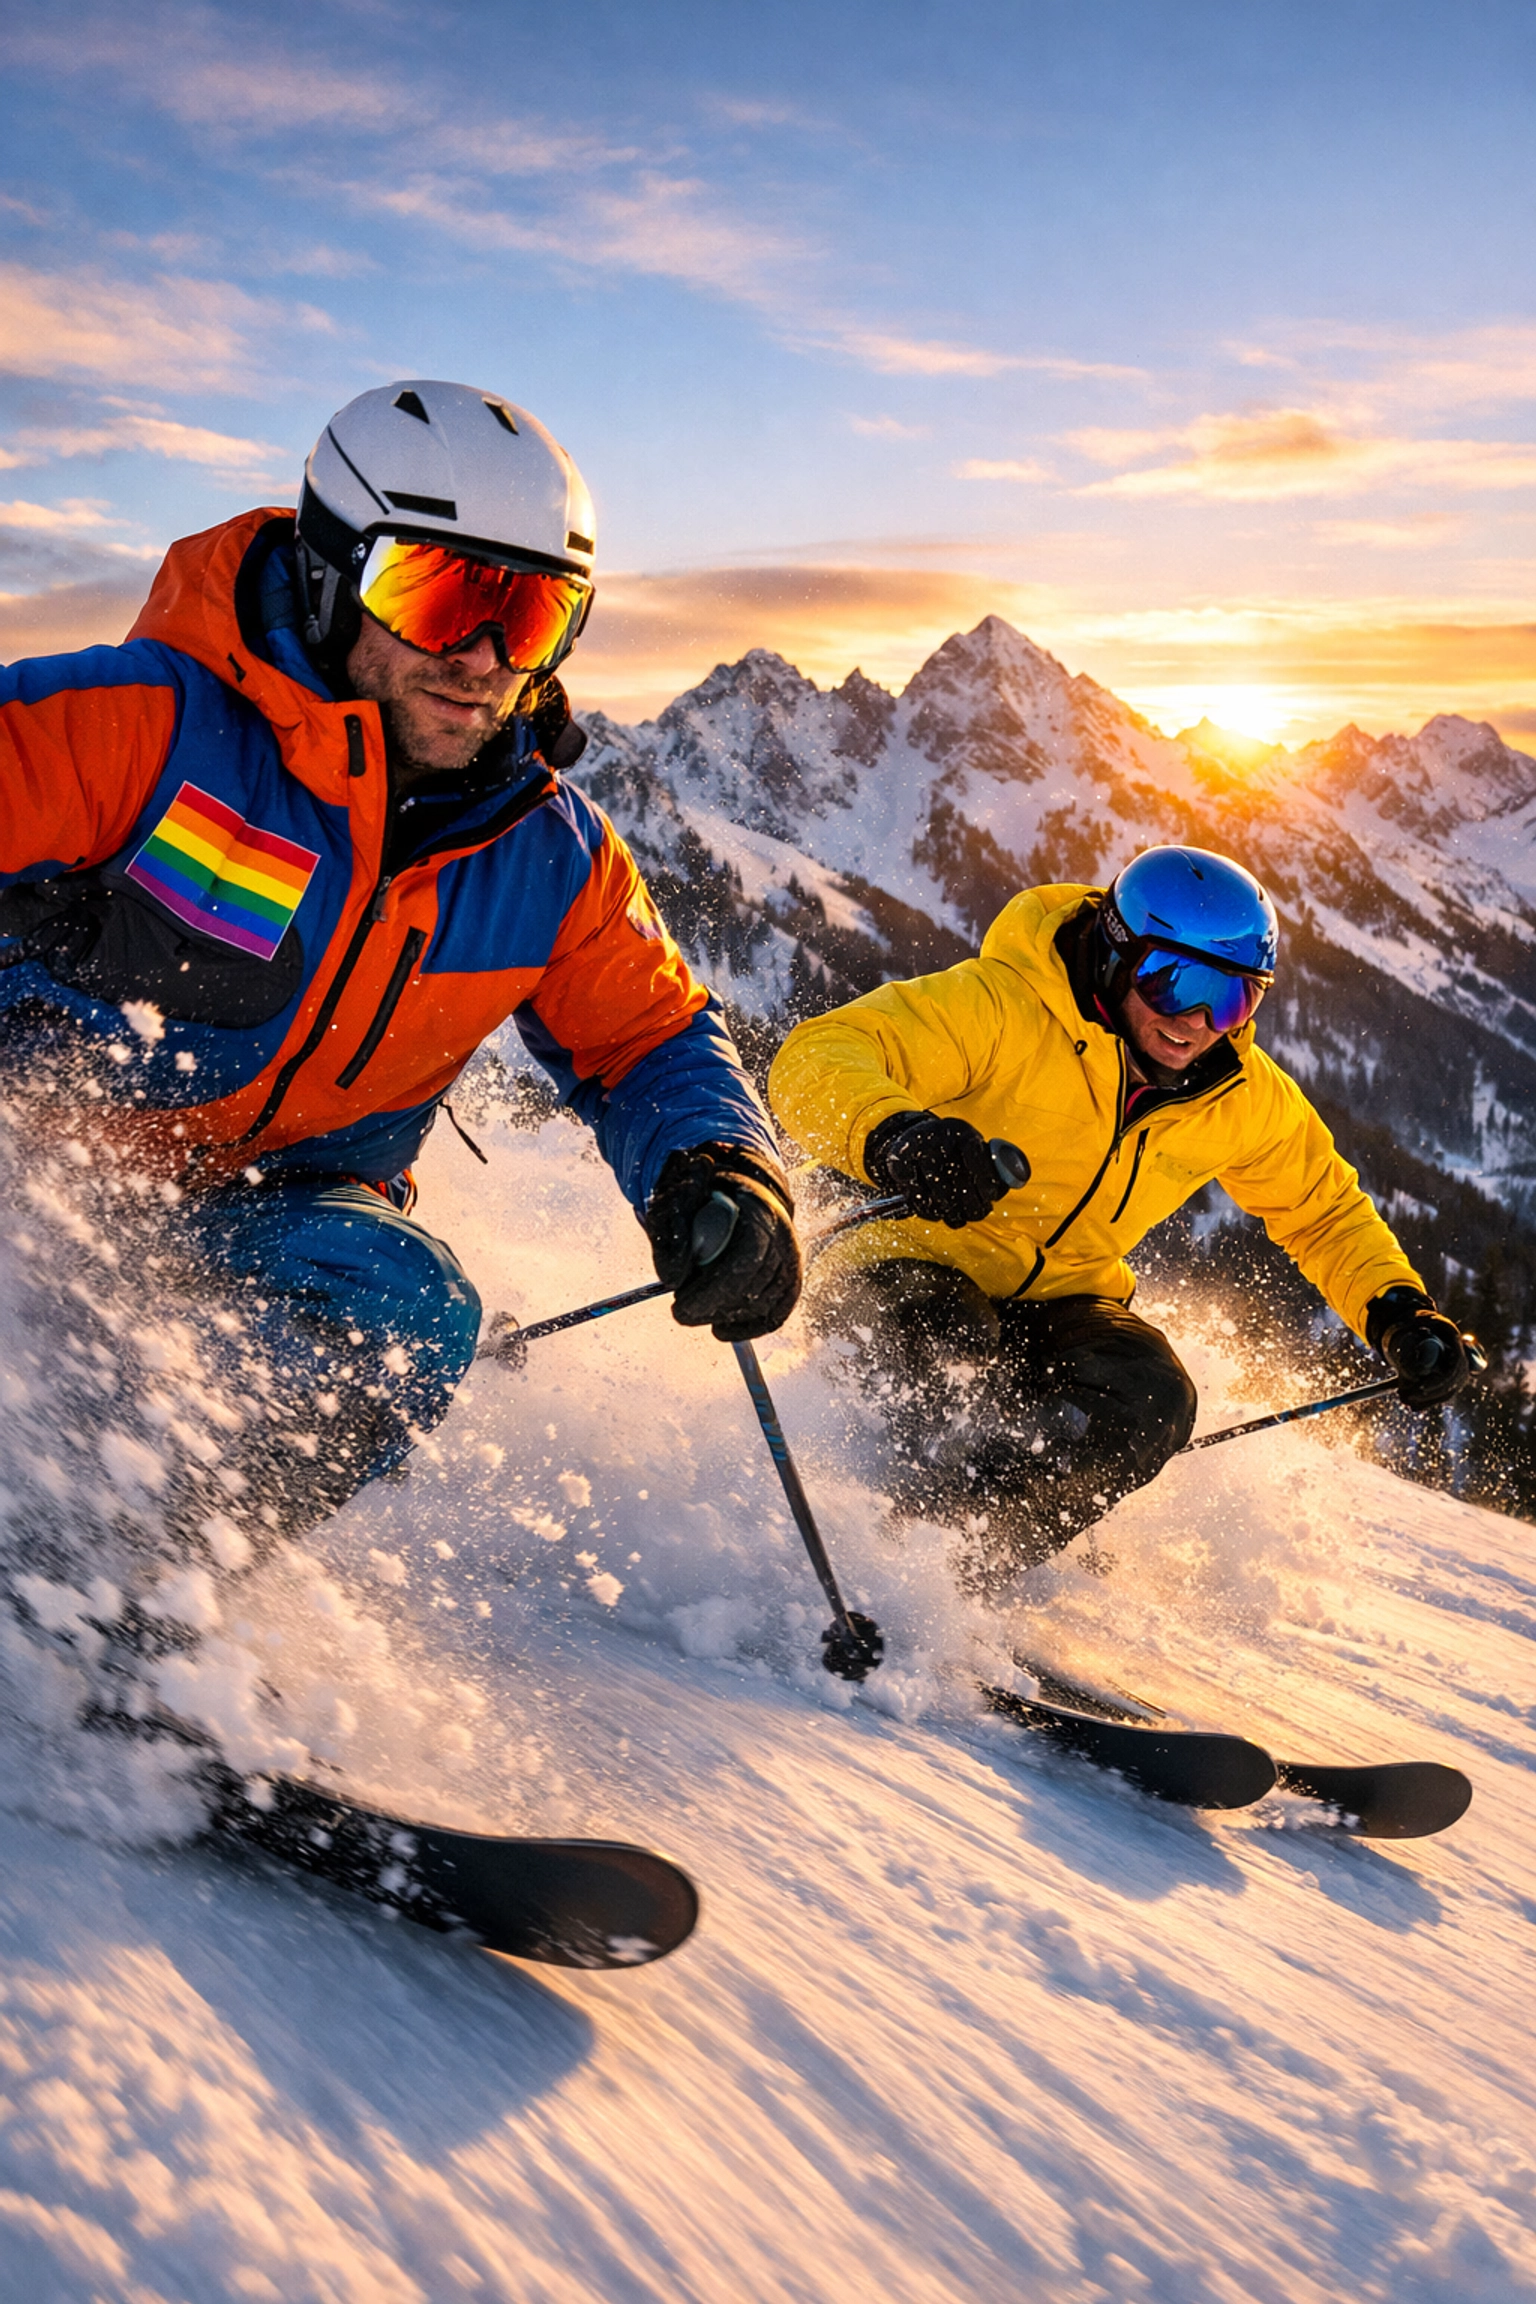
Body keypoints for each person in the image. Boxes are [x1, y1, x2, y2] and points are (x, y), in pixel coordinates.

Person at [0, 378, 799, 1604]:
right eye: (439, 595)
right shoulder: (140, 731)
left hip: (265, 1230)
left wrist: (719, 1166)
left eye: (529, 617)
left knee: (407, 1308)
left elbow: (650, 1035)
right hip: (36, 1189)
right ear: (331, 570)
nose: (481, 660)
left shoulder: (549, 856)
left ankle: (102, 1592)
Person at [768, 846, 1477, 1594]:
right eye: (1173, 983)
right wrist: (896, 1138)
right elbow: (818, 1054)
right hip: (899, 1258)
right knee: (948, 1354)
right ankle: (868, 1557)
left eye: (1233, 999)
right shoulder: (1003, 1008)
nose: (1198, 1022)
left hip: (1064, 1296)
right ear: (1116, 952)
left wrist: (1400, 1313)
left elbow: (1324, 1211)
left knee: (1153, 1397)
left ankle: (959, 1578)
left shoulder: (1237, 1095)